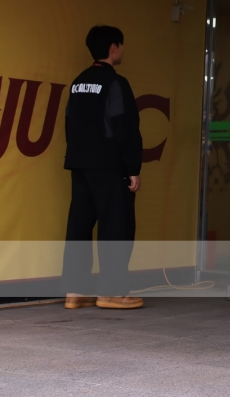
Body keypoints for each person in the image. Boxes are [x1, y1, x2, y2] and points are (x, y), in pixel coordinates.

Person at [61, 26, 144, 310]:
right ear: (113, 48)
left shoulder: (78, 82)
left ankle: (75, 292)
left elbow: (69, 123)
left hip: (80, 166)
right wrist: (133, 168)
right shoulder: (115, 83)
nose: (122, 50)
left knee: (79, 227)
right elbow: (125, 127)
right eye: (121, 45)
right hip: (109, 167)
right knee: (115, 227)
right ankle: (111, 292)